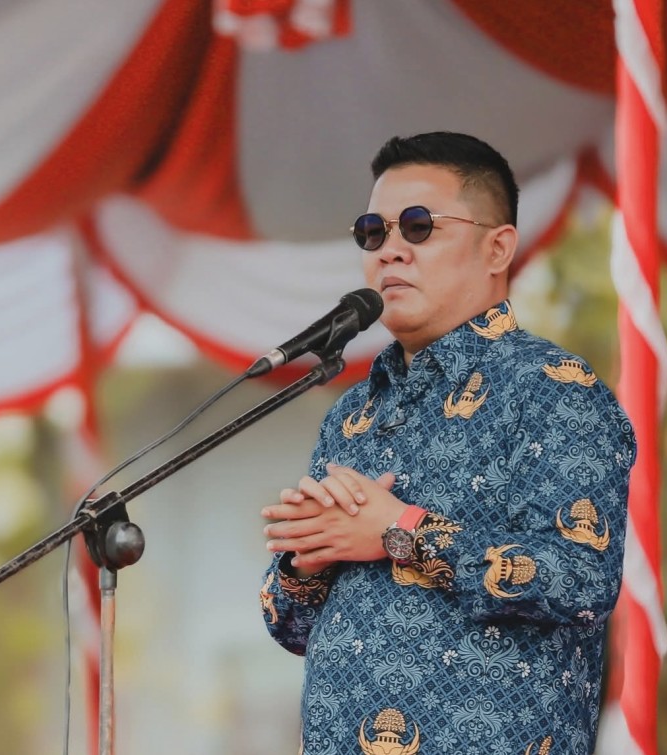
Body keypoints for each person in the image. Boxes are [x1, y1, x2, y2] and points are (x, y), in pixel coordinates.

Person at [259, 132, 636, 755]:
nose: (390, 251)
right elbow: (290, 626)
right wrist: (307, 559)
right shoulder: (353, 415)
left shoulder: (554, 391)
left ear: (497, 247)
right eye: (372, 232)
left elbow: (581, 578)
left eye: (418, 226)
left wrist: (399, 531)